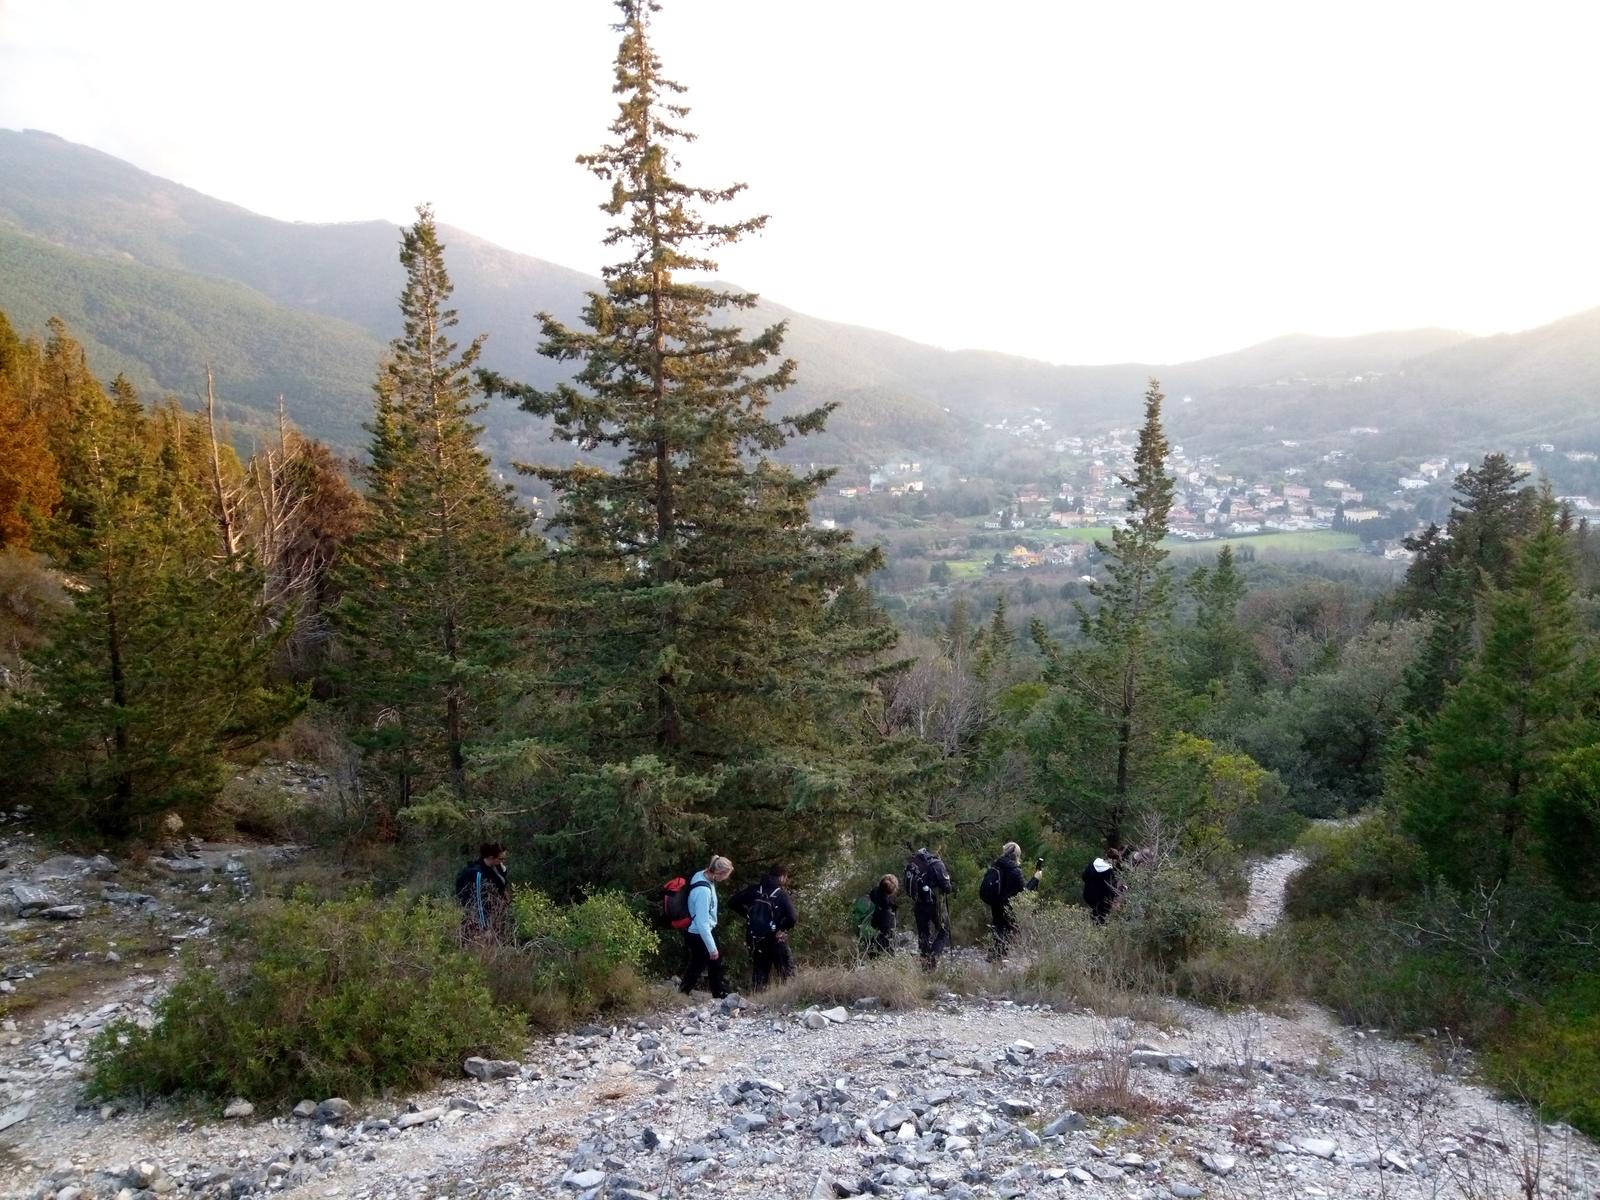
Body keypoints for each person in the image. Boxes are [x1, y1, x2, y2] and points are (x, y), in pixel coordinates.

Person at [730, 864, 797, 991]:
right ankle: (791, 1000)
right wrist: (782, 929)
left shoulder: (754, 890)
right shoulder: (781, 895)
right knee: (787, 973)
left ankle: (757, 1002)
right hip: (775, 939)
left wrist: (748, 915)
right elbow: (792, 917)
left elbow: (732, 902)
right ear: (782, 877)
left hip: (755, 939)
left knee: (759, 973)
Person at [680, 854, 734, 1000]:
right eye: (726, 875)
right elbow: (702, 923)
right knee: (704, 962)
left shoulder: (702, 875)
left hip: (701, 929)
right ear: (719, 873)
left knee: (706, 963)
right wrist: (712, 947)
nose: (726, 879)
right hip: (699, 932)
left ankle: (715, 992)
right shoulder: (703, 891)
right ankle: (687, 992)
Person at [987, 842, 1042, 959]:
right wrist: (1035, 879)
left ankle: (994, 957)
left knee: (997, 928)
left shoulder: (995, 865)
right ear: (1017, 856)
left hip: (995, 903)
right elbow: (1024, 893)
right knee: (1007, 932)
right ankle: (999, 959)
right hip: (1008, 906)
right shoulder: (1015, 871)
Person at [904, 846, 953, 967]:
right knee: (944, 930)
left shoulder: (914, 864)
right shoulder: (937, 864)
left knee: (923, 933)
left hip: (919, 903)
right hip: (935, 905)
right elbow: (947, 888)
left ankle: (925, 962)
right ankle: (933, 958)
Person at [455, 842, 511, 942]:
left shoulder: (495, 867)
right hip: (476, 916)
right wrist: (484, 928)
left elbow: (501, 882)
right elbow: (478, 902)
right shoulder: (478, 874)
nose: (503, 861)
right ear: (491, 858)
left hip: (493, 913)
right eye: (501, 859)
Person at [863, 873, 899, 957]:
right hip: (880, 946)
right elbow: (886, 931)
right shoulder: (886, 908)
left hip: (868, 935)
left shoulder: (874, 892)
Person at [1082, 849, 1122, 924]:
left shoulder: (1093, 863)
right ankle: (1097, 930)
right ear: (1114, 860)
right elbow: (1110, 889)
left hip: (1087, 894)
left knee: (1093, 912)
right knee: (1100, 917)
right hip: (1100, 899)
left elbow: (1084, 876)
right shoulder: (1109, 871)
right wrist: (1111, 901)